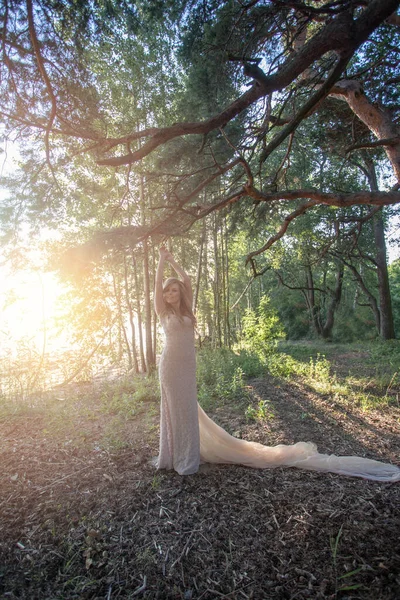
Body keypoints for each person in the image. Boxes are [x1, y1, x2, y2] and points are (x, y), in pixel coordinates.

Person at [154, 246, 400, 482]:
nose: (169, 294)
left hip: (187, 369)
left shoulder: (188, 308)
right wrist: (161, 262)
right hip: (170, 368)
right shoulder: (163, 313)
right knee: (174, 411)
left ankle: (187, 456)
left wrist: (172, 259)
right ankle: (175, 457)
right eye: (167, 292)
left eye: (173, 291)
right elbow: (156, 289)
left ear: (180, 293)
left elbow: (186, 279)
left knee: (187, 412)